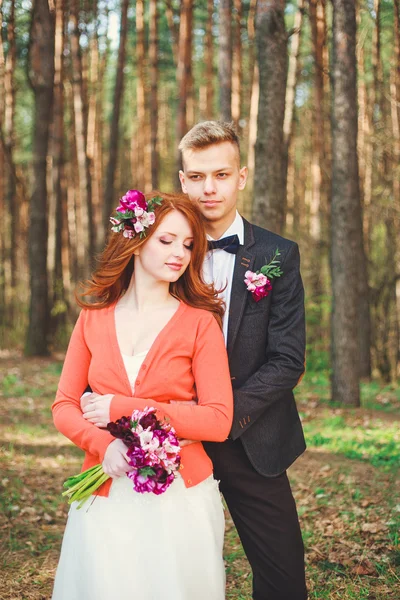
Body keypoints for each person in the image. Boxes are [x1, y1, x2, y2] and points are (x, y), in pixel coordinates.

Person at [51, 191, 233, 600]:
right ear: (135, 241)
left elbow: (218, 420)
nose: (180, 254)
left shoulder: (200, 324)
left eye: (188, 245)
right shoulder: (92, 318)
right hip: (105, 493)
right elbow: (64, 405)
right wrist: (103, 444)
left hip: (180, 499)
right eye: (166, 240)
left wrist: (125, 408)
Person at [178, 121, 308, 600]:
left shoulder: (278, 254)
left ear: (242, 177)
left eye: (221, 174)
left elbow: (288, 358)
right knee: (168, 571)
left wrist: (224, 414)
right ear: (182, 179)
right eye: (196, 176)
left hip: (250, 435)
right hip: (173, 438)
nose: (209, 188)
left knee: (283, 579)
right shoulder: (163, 250)